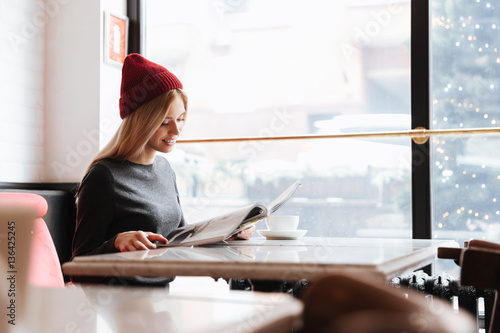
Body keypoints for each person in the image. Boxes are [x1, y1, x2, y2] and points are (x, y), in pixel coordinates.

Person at [71, 54, 254, 286]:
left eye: (181, 119)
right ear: (142, 121)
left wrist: (226, 233)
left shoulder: (165, 169)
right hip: (120, 305)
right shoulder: (104, 177)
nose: (176, 130)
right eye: (165, 122)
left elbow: (179, 239)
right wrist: (115, 242)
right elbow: (77, 267)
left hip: (160, 299)